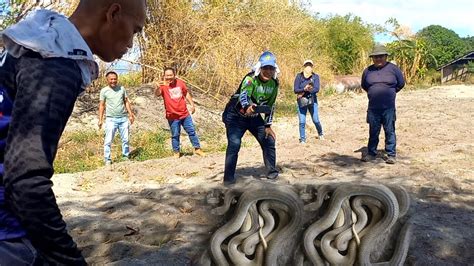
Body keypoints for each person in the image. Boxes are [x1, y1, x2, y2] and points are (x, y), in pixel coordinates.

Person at [0, 0, 146, 264]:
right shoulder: (55, 66)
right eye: (135, 31)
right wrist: (67, 258)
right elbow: (25, 178)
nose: (131, 44)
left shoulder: (36, 42)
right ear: (113, 14)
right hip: (8, 232)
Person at [222, 51, 280, 186]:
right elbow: (244, 95)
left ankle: (272, 173)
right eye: (265, 68)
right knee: (234, 144)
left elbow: (270, 105)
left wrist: (267, 125)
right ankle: (228, 179)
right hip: (235, 116)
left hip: (254, 117)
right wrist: (247, 106)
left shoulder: (274, 84)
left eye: (271, 68)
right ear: (260, 68)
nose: (268, 71)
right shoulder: (250, 79)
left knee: (269, 140)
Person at [361, 44, 405, 164]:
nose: (378, 59)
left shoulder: (394, 69)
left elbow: (401, 84)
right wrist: (374, 92)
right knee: (373, 131)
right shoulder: (368, 71)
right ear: (372, 58)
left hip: (388, 107)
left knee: (389, 130)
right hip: (373, 108)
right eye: (375, 57)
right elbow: (364, 85)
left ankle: (391, 154)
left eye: (381, 56)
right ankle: (371, 153)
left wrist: (390, 92)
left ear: (386, 56)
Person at [155, 67, 205, 158]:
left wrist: (192, 105)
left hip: (184, 114)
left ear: (174, 75)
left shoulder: (180, 83)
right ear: (164, 76)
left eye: (171, 75)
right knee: (175, 135)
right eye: (167, 75)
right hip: (172, 116)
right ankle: (176, 152)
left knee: (191, 131)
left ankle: (197, 149)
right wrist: (158, 87)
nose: (169, 77)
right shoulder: (163, 85)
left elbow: (186, 93)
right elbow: (157, 94)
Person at [98, 71, 135, 165]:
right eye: (111, 79)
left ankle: (125, 156)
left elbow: (126, 101)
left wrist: (130, 114)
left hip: (123, 118)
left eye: (115, 79)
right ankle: (107, 159)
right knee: (108, 140)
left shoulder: (121, 89)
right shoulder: (104, 91)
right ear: (107, 80)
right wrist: (100, 119)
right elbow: (102, 105)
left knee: (126, 139)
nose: (113, 81)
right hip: (111, 119)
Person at [293, 59, 324, 143]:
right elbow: (295, 89)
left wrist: (305, 90)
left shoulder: (315, 76)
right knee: (302, 122)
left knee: (316, 120)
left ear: (312, 67)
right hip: (301, 101)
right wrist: (305, 88)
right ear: (304, 66)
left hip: (312, 101)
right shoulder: (299, 76)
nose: (308, 67)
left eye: (310, 65)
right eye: (306, 65)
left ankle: (320, 133)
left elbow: (316, 89)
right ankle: (302, 139)